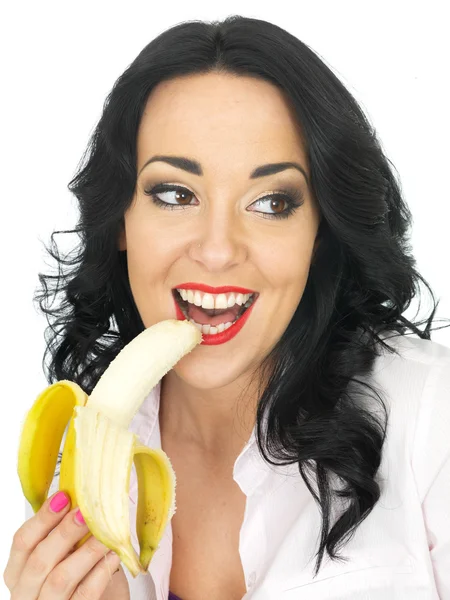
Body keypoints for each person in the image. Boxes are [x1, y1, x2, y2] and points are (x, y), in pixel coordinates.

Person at [4, 14, 450, 600]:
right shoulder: (76, 462)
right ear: (119, 221)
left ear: (320, 230)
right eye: (174, 194)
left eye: (270, 202)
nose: (217, 251)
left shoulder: (429, 419)